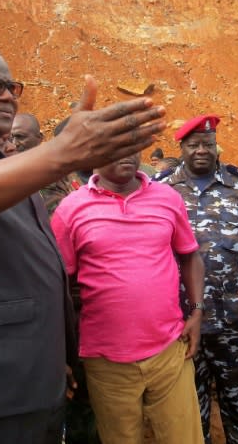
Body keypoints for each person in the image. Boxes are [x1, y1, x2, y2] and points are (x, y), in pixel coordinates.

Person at [0, 47, 165, 444]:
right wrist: (62, 153)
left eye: (12, 87)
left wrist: (53, 356)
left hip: (31, 374)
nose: (8, 95)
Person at [51, 152, 205, 444]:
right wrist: (58, 351)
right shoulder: (71, 209)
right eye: (116, 146)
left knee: (185, 437)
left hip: (171, 350)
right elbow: (56, 285)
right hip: (105, 359)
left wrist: (196, 311)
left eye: (133, 145)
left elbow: (190, 254)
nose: (128, 153)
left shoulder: (167, 197)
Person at [160, 114, 238, 444]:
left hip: (232, 318)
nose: (202, 150)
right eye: (193, 145)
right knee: (189, 407)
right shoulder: (162, 191)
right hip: (180, 322)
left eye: (208, 144)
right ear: (181, 148)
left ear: (217, 147)